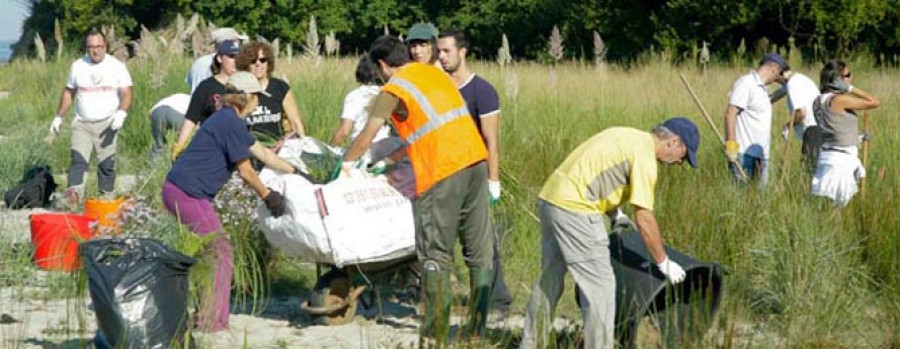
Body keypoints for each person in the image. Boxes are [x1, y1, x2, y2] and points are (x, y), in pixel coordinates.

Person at [343, 35, 494, 341]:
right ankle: (476, 331)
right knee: (479, 250)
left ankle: (435, 332)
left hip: (442, 170)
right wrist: (391, 159)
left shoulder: (393, 90)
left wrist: (344, 165)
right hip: (476, 160)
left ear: (383, 65)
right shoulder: (433, 74)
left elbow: (365, 138)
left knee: (434, 253)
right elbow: (432, 126)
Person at [520, 117, 696, 349]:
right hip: (576, 210)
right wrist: (664, 262)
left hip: (551, 199)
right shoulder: (645, 158)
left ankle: (530, 343)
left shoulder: (625, 134)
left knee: (550, 279)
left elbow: (596, 172)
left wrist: (615, 215)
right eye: (683, 157)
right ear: (674, 142)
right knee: (601, 289)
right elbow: (644, 216)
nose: (679, 163)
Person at [162, 71, 298, 332]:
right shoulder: (230, 123)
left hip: (181, 191)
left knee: (211, 252)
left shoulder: (229, 120)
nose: (259, 103)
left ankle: (203, 314)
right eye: (257, 97)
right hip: (186, 193)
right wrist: (268, 196)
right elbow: (246, 171)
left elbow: (265, 155)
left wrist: (295, 171)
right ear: (244, 97)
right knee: (221, 250)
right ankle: (212, 322)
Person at [437, 29, 511, 315]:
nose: (442, 57)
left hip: (474, 174)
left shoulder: (481, 91)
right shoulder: (439, 88)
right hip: (442, 174)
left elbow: (491, 140)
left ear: (462, 52)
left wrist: (493, 181)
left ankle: (495, 300)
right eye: (439, 52)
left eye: (447, 51)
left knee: (480, 241)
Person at [49, 27, 133, 207]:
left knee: (106, 165)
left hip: (108, 123)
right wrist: (58, 117)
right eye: (90, 47)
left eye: (99, 46)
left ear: (105, 46)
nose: (95, 50)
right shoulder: (78, 66)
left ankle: (106, 201)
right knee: (78, 161)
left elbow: (127, 93)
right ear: (86, 48)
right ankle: (73, 200)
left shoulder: (116, 67)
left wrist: (121, 113)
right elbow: (69, 92)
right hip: (82, 123)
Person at [810, 60, 880, 207]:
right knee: (838, 208)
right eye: (847, 75)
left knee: (827, 205)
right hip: (841, 161)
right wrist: (850, 88)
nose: (851, 78)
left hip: (827, 156)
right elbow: (874, 102)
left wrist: (858, 138)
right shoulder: (839, 100)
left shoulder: (817, 101)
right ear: (837, 80)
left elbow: (834, 130)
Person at [723, 52, 789, 188]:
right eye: (779, 73)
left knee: (758, 200)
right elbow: (730, 112)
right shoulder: (747, 83)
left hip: (762, 154)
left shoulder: (763, 89)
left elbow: (783, 91)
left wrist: (788, 80)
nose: (778, 78)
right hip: (743, 153)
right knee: (740, 198)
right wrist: (731, 145)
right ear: (774, 69)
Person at [172, 39, 240, 159]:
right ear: (219, 59)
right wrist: (179, 146)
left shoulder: (244, 87)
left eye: (239, 57)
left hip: (237, 147)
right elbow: (191, 119)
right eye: (231, 56)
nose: (236, 61)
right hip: (212, 147)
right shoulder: (206, 87)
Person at [234, 41, 306, 144]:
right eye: (253, 61)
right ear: (246, 64)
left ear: (268, 63)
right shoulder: (238, 89)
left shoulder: (280, 87)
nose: (258, 64)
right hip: (249, 147)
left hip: (276, 146)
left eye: (262, 60)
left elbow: (295, 122)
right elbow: (231, 123)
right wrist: (247, 110)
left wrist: (303, 145)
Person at [329, 56, 389, 146]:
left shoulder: (355, 96)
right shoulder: (390, 94)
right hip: (388, 147)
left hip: (361, 147)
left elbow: (344, 131)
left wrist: (329, 150)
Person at [770, 69, 822, 173]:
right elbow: (779, 93)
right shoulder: (799, 79)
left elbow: (801, 113)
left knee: (809, 171)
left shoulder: (792, 84)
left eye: (776, 79)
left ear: (782, 74)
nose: (775, 82)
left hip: (811, 131)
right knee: (816, 169)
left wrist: (789, 126)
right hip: (819, 128)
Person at [186, 28, 248, 93]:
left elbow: (190, 82)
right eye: (238, 42)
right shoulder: (219, 64)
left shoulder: (199, 62)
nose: (240, 45)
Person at [148, 93, 190, 162]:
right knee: (184, 141)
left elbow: (150, 113)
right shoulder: (195, 100)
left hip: (156, 111)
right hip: (177, 113)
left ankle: (153, 167)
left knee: (159, 143)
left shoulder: (179, 96)